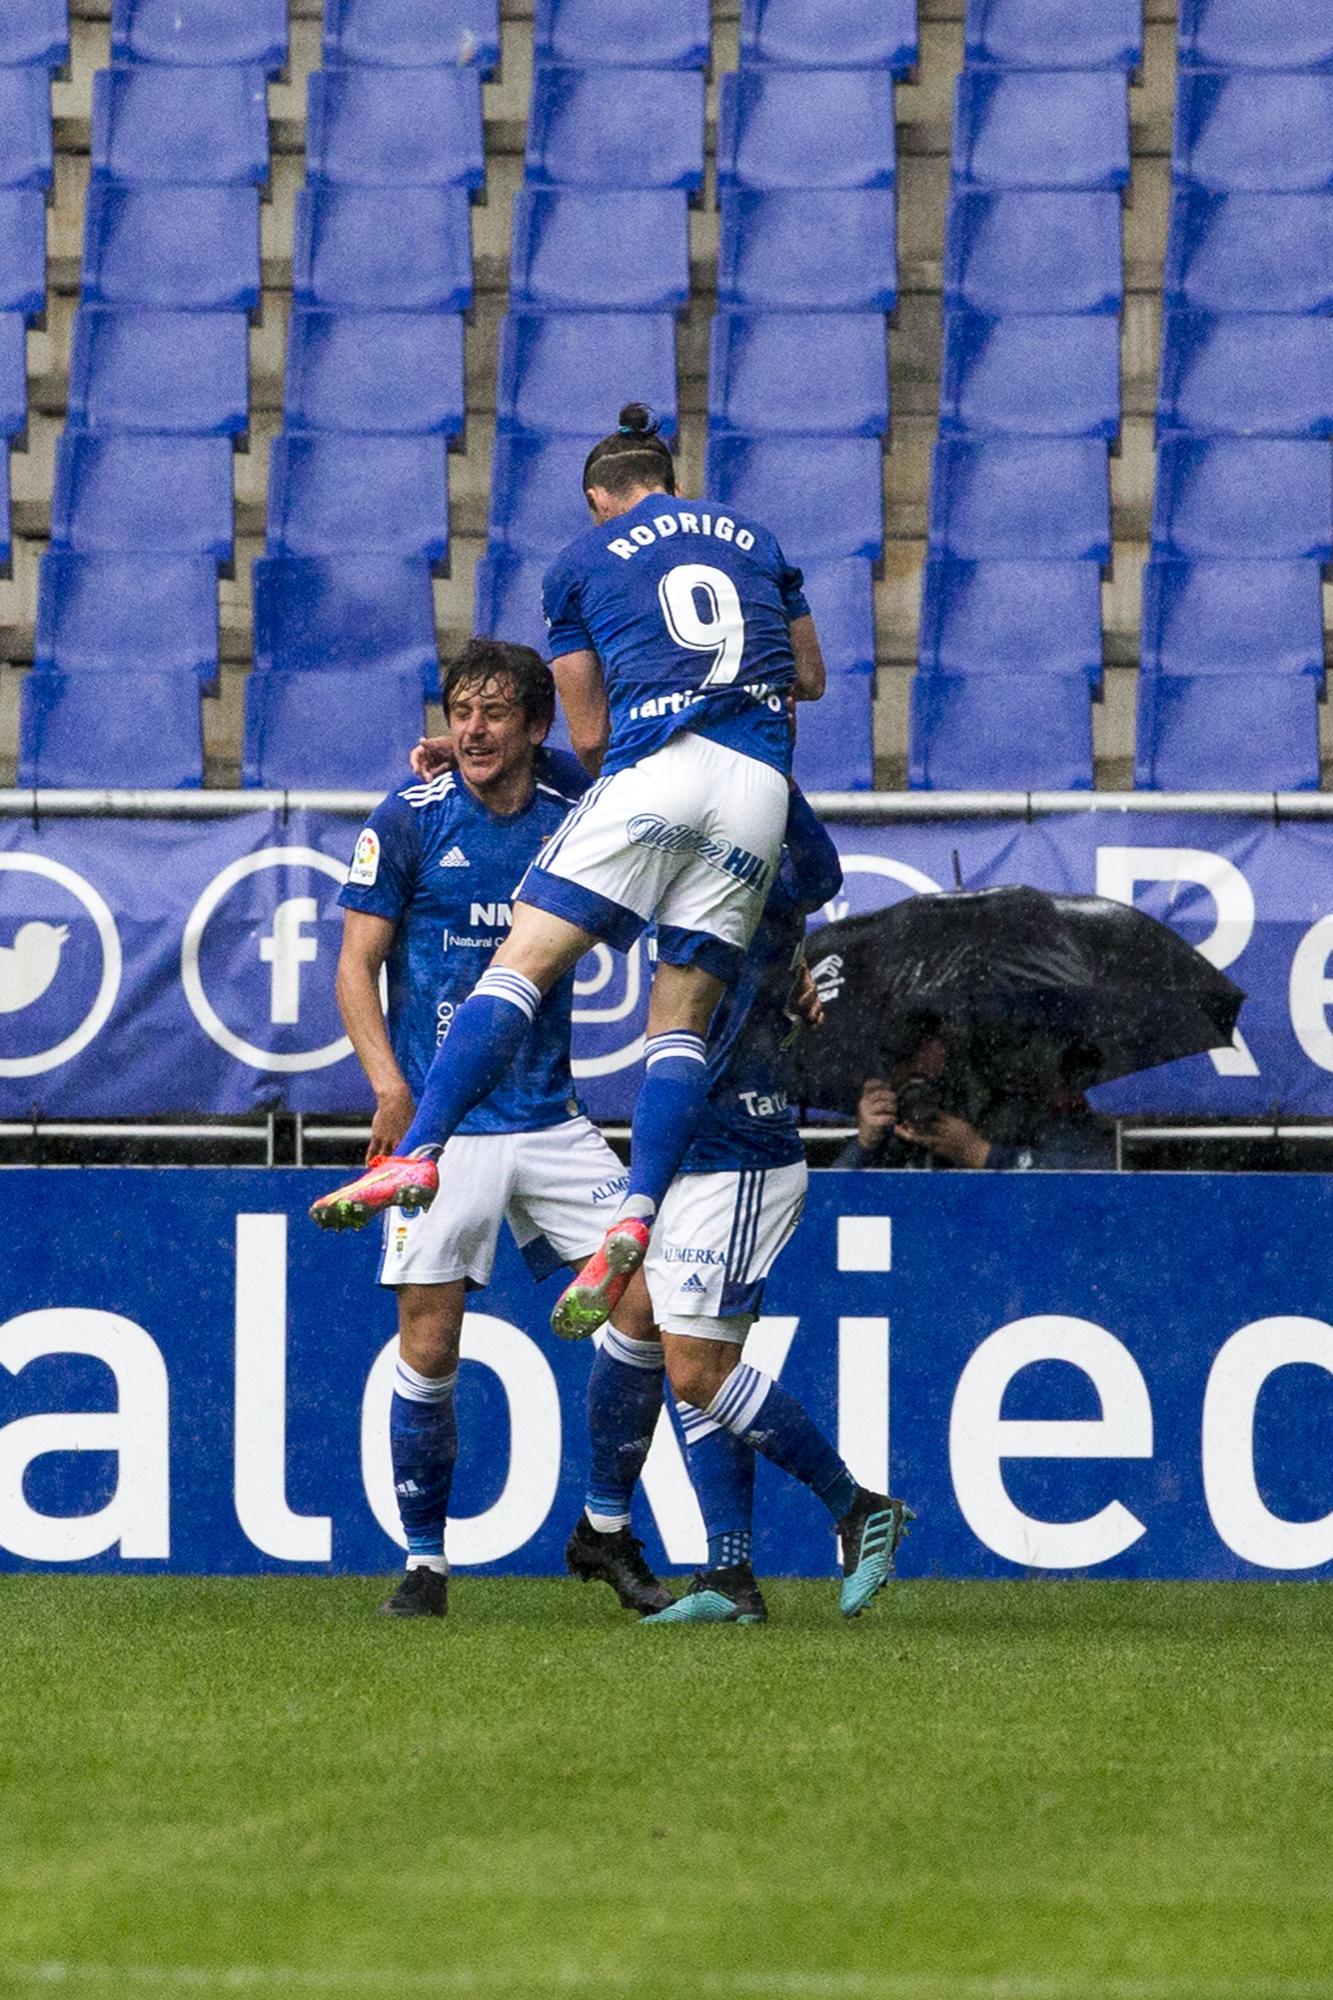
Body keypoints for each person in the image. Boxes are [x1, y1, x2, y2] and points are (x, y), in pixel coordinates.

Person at [312, 404, 826, 1348]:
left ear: (600, 499)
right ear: (668, 478)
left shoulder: (585, 561)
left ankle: (421, 1150)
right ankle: (634, 1217)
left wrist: (617, 735)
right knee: (677, 1022)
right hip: (758, 781)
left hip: (655, 767)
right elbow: (812, 676)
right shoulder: (757, 537)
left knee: (520, 963)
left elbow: (588, 736)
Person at [333, 638, 673, 1620]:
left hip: (549, 1115)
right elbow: (356, 965)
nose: (475, 731)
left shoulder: (573, 821)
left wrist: (532, 755)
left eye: (495, 714)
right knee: (429, 1341)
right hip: (445, 1125)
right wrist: (389, 1084)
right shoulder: (407, 819)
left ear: (532, 724)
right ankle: (426, 1562)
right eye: (461, 713)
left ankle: (602, 1529)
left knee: (644, 1299)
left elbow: (616, 781)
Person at [639, 785, 913, 1625]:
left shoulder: (748, 888)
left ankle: (857, 1505)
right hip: (700, 1146)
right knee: (685, 1361)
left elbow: (818, 869)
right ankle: (730, 1576)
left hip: (740, 1152)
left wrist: (768, 776)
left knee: (694, 1368)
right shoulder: (720, 883)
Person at [836, 1026, 1114, 1171]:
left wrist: (982, 1154)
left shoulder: (1042, 1108)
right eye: (905, 1054)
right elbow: (824, 1210)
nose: (920, 1067)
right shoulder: (896, 1113)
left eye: (930, 1048)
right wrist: (865, 1144)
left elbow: (1087, 1182)